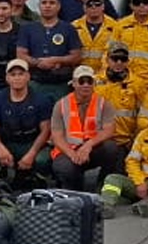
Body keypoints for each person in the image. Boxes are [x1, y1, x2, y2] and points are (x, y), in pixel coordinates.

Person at [50, 63, 123, 191]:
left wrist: (88, 145)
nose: (85, 85)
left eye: (89, 81)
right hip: (68, 150)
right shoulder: (60, 105)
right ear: (73, 83)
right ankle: (74, 190)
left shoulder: (103, 103)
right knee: (65, 168)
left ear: (94, 83)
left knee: (112, 148)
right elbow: (57, 136)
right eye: (81, 81)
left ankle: (103, 185)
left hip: (93, 149)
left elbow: (109, 130)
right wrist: (72, 154)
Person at [0, 59, 56, 188]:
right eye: (13, 75)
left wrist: (32, 154)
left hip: (31, 143)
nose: (17, 78)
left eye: (21, 74)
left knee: (43, 159)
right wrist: (0, 148)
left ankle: (37, 178)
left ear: (28, 76)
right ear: (7, 78)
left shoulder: (41, 99)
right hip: (8, 142)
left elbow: (46, 130)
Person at [96, 46, 141, 147]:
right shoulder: (95, 81)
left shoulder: (137, 83)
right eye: (115, 59)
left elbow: (143, 114)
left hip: (125, 141)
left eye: (123, 59)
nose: (119, 62)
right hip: (99, 139)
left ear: (128, 61)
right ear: (107, 60)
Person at [74, 0, 121, 69]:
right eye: (90, 5)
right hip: (81, 75)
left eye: (97, 4)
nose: (94, 7)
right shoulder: (74, 27)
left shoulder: (116, 27)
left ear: (103, 7)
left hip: (105, 74)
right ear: (84, 7)